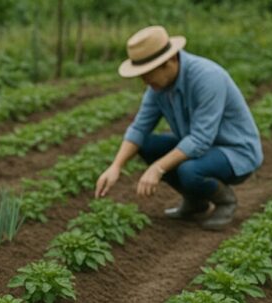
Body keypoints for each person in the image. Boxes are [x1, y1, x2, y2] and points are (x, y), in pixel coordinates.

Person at [94, 25, 263, 230]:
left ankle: (226, 202)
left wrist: (158, 167)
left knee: (189, 170)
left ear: (170, 61)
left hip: (235, 152)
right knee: (146, 145)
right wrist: (116, 166)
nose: (144, 81)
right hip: (201, 148)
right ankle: (196, 202)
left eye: (148, 73)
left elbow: (200, 140)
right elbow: (139, 128)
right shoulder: (158, 86)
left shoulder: (208, 78)